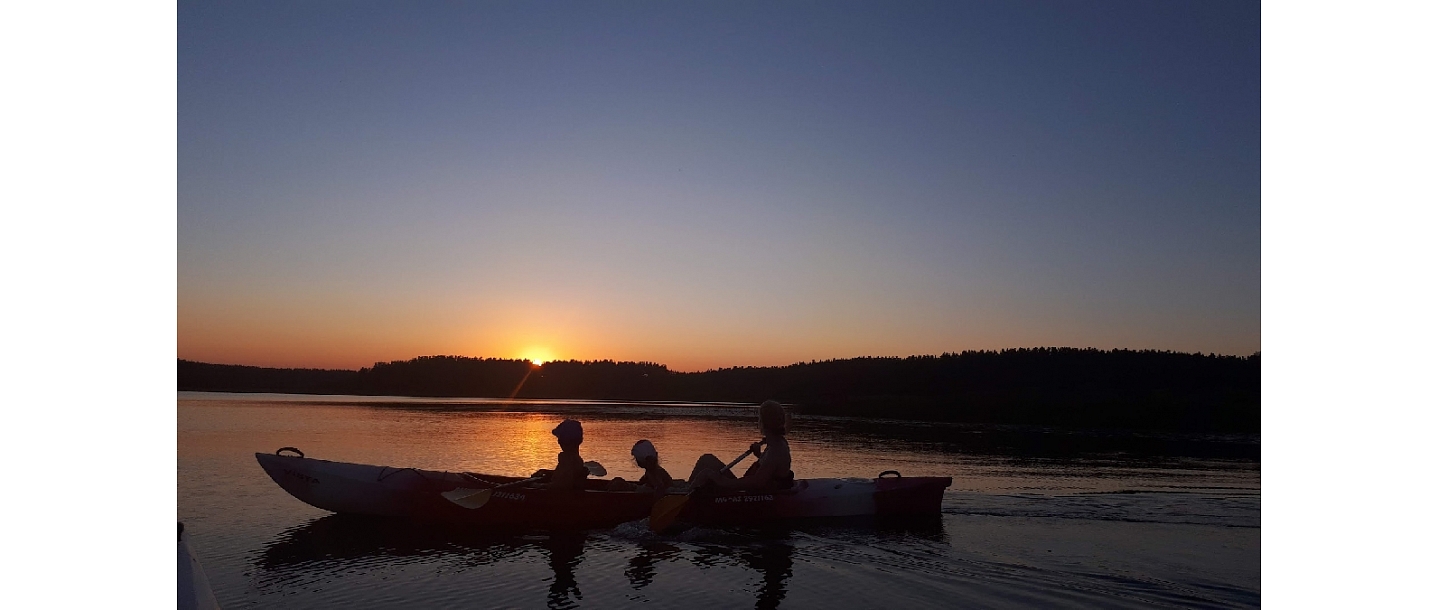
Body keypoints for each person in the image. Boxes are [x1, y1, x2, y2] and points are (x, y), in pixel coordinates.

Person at [688, 400, 794, 492]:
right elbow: (770, 468)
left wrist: (724, 481)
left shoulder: (776, 450)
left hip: (747, 491)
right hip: (747, 487)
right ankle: (687, 490)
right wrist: (759, 455)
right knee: (707, 459)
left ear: (762, 422)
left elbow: (757, 482)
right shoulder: (776, 443)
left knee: (706, 472)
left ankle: (684, 495)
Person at [534, 419, 591, 491]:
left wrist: (538, 486)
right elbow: (565, 476)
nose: (558, 442)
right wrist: (547, 472)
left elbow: (560, 486)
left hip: (561, 498)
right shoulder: (577, 459)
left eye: (560, 439)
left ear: (563, 441)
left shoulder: (567, 460)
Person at [604, 439, 676, 495]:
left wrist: (654, 504)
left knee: (618, 483)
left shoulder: (654, 473)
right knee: (617, 480)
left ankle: (606, 495)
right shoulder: (653, 471)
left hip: (638, 490)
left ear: (642, 460)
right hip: (638, 488)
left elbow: (660, 489)